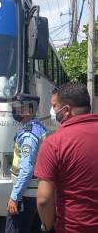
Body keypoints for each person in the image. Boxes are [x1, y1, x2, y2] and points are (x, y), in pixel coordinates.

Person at [35, 83, 98, 233]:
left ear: (67, 110)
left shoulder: (54, 143)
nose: (53, 111)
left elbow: (44, 199)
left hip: (72, 228)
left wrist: (48, 227)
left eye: (55, 106)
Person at [5, 95, 48, 233]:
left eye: (19, 108)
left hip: (26, 196)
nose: (15, 111)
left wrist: (14, 197)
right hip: (35, 194)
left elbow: (27, 169)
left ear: (29, 111)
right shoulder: (39, 127)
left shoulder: (29, 135)